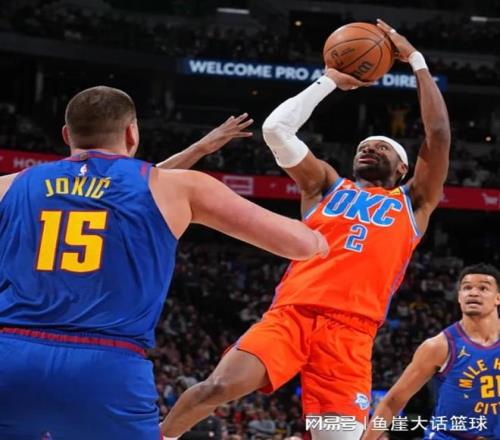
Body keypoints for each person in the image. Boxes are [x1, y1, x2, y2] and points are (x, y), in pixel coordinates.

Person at [160, 19, 451, 440]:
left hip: (351, 334)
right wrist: (328, 81)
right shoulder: (325, 185)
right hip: (292, 315)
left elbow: (438, 134)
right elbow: (276, 130)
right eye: (363, 146)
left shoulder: (414, 202)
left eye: (381, 147)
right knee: (216, 388)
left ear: (402, 168)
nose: (369, 148)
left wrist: (417, 61)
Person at [0, 86, 328, 439]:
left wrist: (197, 150)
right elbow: (302, 245)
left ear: (67, 134)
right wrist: (325, 228)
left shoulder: (9, 185)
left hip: (10, 356)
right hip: (107, 367)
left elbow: (114, 187)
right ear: (132, 132)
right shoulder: (178, 188)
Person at [363, 263, 500, 440]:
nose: (473, 293)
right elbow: (393, 401)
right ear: (459, 297)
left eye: (483, 288)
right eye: (467, 288)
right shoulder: (439, 346)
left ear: (498, 298)